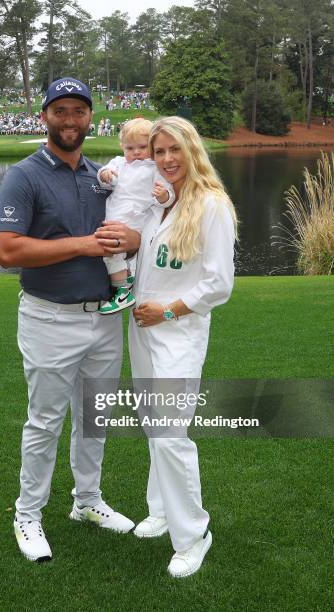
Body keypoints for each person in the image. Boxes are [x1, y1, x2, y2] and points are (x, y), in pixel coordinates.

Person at [0, 77, 140, 563]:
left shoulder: (102, 176)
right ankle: (28, 514)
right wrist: (84, 244)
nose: (71, 119)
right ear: (45, 117)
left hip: (103, 318)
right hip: (49, 318)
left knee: (94, 418)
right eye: (61, 111)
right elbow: (7, 251)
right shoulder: (25, 175)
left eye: (79, 111)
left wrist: (132, 240)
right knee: (46, 421)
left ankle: (87, 502)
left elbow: (134, 229)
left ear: (90, 118)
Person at [129, 116, 237, 578]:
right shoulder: (162, 203)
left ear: (192, 151)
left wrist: (167, 311)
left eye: (175, 150)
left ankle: (194, 533)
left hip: (177, 330)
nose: (167, 159)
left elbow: (218, 285)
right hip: (142, 330)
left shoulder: (211, 205)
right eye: (159, 152)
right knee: (153, 424)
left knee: (172, 434)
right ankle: (161, 509)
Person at [97, 118, 175, 315]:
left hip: (135, 217)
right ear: (122, 147)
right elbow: (106, 177)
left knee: (110, 250)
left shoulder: (154, 169)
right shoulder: (119, 163)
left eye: (142, 147)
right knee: (109, 251)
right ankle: (126, 279)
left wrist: (163, 196)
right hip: (114, 212)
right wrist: (105, 175)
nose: (136, 152)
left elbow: (167, 194)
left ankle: (122, 290)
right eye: (129, 148)